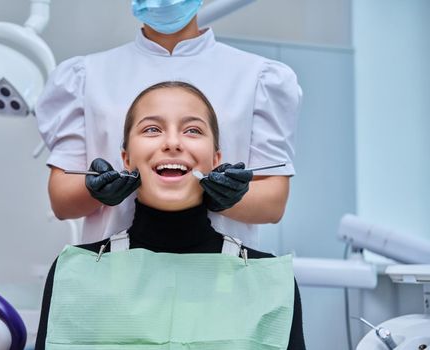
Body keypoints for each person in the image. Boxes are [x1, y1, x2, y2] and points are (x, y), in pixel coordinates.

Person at [35, 81, 305, 349]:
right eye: (152, 129)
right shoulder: (76, 276)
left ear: (215, 158)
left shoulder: (269, 285)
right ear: (126, 159)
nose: (173, 142)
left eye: (192, 130)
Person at [35, 0, 302, 248]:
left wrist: (224, 197)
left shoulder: (258, 77)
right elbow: (62, 202)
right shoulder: (86, 76)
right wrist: (96, 191)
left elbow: (273, 204)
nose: (172, 143)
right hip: (115, 280)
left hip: (222, 281)